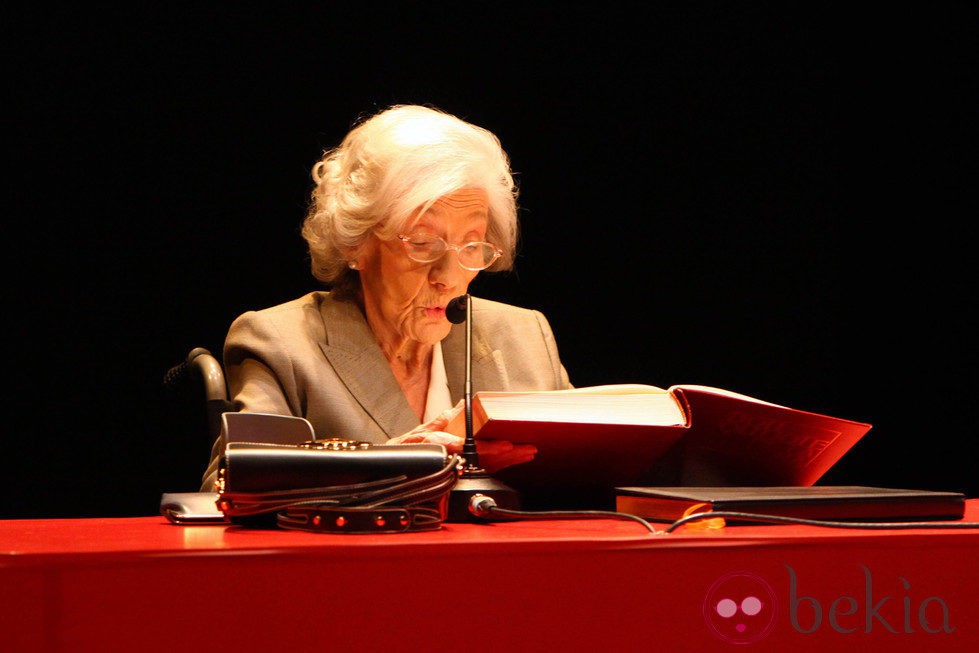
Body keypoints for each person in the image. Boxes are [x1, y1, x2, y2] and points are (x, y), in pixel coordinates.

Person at [201, 104, 572, 491]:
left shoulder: (524, 338)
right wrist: (396, 463)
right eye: (424, 243)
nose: (449, 277)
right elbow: (230, 489)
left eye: (472, 245)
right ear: (356, 244)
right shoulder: (281, 345)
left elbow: (582, 479)